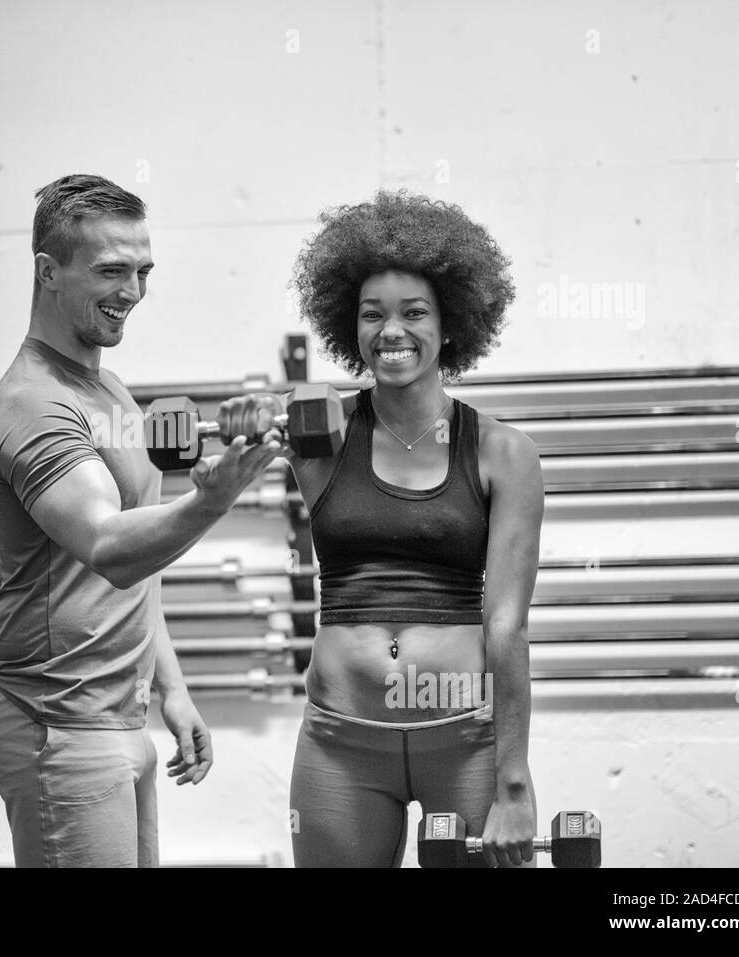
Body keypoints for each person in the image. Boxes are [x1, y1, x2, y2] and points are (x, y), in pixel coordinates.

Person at [221, 190, 543, 867]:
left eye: (413, 312)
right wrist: (247, 416)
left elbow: (508, 627)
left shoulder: (503, 453)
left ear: (451, 323)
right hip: (341, 745)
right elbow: (249, 430)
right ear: (351, 325)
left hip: (464, 739)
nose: (390, 330)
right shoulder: (320, 436)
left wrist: (515, 783)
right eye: (373, 314)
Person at [0, 173, 281, 867]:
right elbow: (110, 547)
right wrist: (211, 499)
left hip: (114, 713)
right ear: (48, 272)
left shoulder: (106, 385)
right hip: (57, 722)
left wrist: (171, 688)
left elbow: (136, 569)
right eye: (112, 270)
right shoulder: (32, 404)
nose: (133, 291)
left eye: (143, 271)